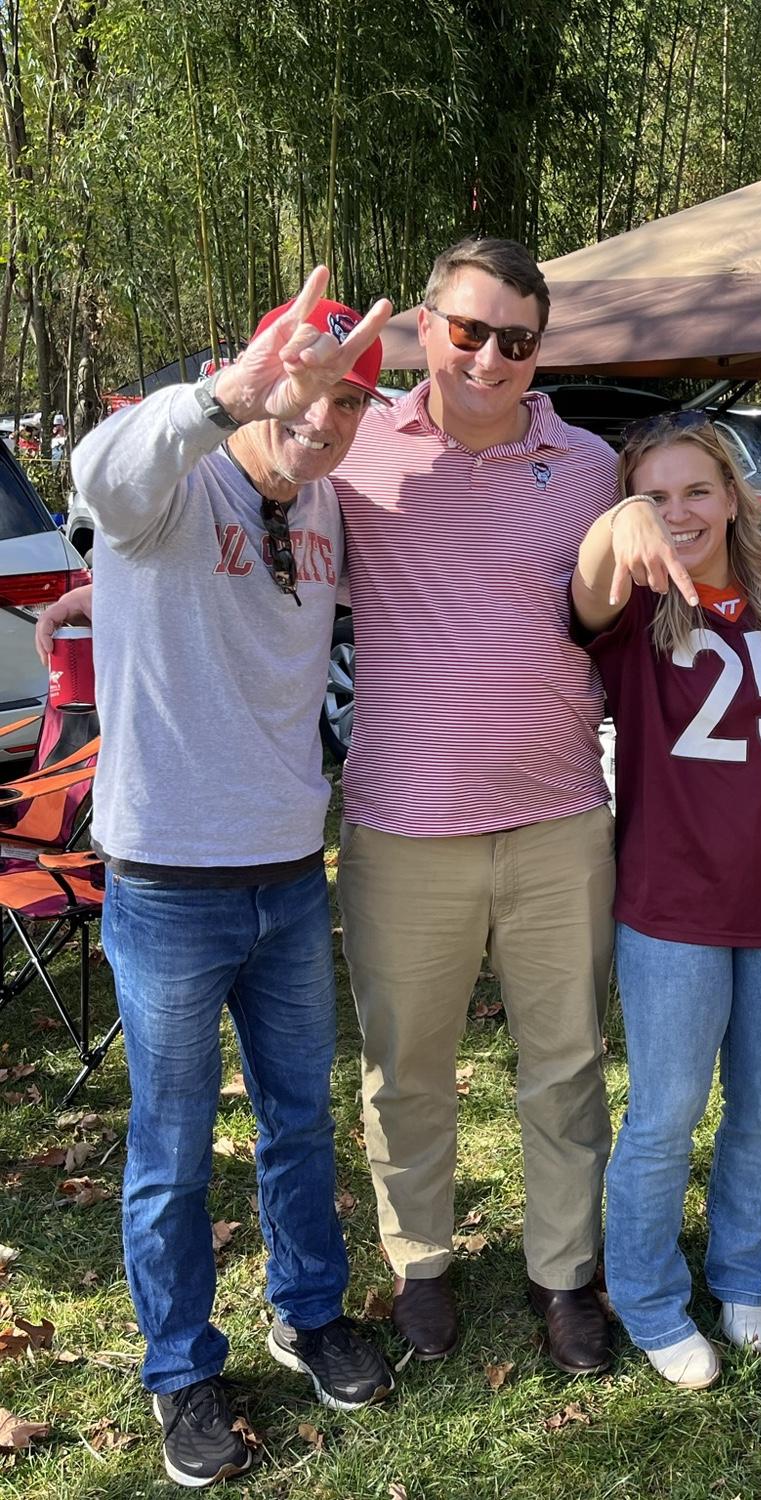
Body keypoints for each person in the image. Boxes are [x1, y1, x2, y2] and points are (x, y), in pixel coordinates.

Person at [51, 269, 396, 1488]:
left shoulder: (330, 507)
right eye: (301, 391)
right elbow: (99, 480)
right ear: (255, 384)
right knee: (174, 1145)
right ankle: (182, 1373)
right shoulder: (171, 483)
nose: (322, 418)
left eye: (349, 399)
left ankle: (307, 1314)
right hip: (168, 883)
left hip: (292, 872)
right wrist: (219, 393)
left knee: (300, 1121)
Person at [331, 238, 618, 1373]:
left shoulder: (591, 464)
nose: (490, 357)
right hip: (404, 823)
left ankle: (565, 1275)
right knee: (406, 1065)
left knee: (567, 1058)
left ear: (539, 350)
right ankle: (422, 1264)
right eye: (468, 330)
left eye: (517, 339)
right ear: (423, 332)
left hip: (557, 820)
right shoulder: (353, 453)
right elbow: (256, 550)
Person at [570, 413, 761, 1389]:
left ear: (732, 495)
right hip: (674, 895)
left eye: (696, 490)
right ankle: (645, 1296)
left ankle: (743, 1275)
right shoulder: (635, 599)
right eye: (653, 495)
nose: (678, 512)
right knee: (668, 1110)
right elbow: (586, 592)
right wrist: (618, 530)